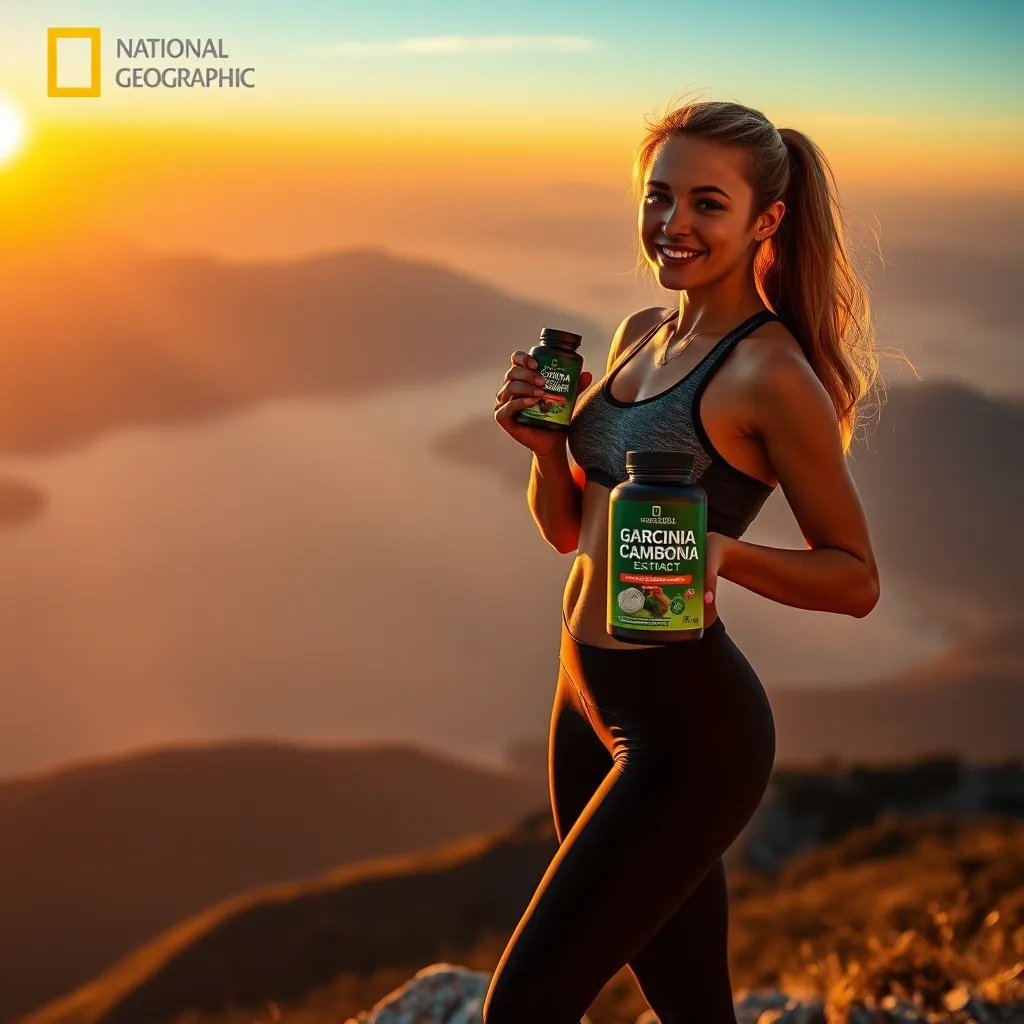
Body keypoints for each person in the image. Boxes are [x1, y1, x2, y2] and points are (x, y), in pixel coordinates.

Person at [486, 98, 883, 1024]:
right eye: (659, 197)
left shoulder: (770, 373)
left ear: (765, 221)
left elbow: (857, 579)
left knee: (526, 1007)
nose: (674, 225)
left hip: (689, 731)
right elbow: (569, 534)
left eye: (709, 203)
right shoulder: (637, 335)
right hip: (584, 701)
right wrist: (546, 451)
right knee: (690, 1006)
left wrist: (726, 553)